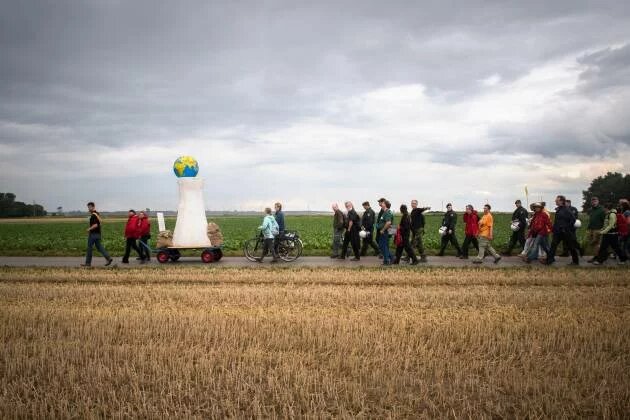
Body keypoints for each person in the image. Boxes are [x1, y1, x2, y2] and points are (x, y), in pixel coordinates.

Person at [546, 195, 580, 266]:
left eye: (557, 200)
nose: (555, 201)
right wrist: (554, 229)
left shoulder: (566, 210)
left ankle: (575, 261)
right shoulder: (559, 209)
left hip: (565, 232)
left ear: (561, 201)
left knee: (571, 247)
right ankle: (549, 260)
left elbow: (573, 220)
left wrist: (566, 228)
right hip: (558, 232)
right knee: (553, 245)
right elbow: (558, 221)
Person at [81, 202, 113, 267]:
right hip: (98, 234)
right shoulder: (97, 214)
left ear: (93, 207)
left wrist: (89, 229)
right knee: (99, 247)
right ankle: (108, 258)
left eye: (89, 207)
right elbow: (99, 224)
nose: (88, 209)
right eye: (88, 207)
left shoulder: (93, 215)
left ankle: (88, 263)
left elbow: (95, 225)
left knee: (89, 248)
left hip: (93, 235)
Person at [585, 196, 605, 261]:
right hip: (590, 228)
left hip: (598, 229)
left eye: (595, 201)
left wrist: (603, 229)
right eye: (592, 201)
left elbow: (604, 220)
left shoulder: (601, 209)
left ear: (598, 201)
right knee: (591, 242)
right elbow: (589, 219)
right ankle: (595, 256)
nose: (594, 202)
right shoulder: (590, 210)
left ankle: (597, 257)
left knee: (596, 243)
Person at [376, 200, 394, 265]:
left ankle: (387, 260)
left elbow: (388, 222)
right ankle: (391, 258)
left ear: (385, 205)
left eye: (382, 203)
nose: (381, 204)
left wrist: (383, 230)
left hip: (385, 232)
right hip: (383, 231)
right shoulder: (384, 212)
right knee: (382, 245)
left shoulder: (388, 212)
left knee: (383, 246)